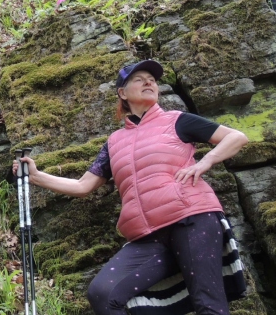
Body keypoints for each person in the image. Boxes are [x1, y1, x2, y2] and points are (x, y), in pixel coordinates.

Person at [13, 60, 249, 315]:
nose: (149, 82)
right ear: (122, 93)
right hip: (147, 236)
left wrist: (205, 162)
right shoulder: (114, 142)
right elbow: (83, 186)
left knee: (208, 303)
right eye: (139, 79)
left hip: (192, 218)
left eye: (152, 79)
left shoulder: (177, 121)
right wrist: (36, 177)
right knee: (103, 293)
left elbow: (236, 137)